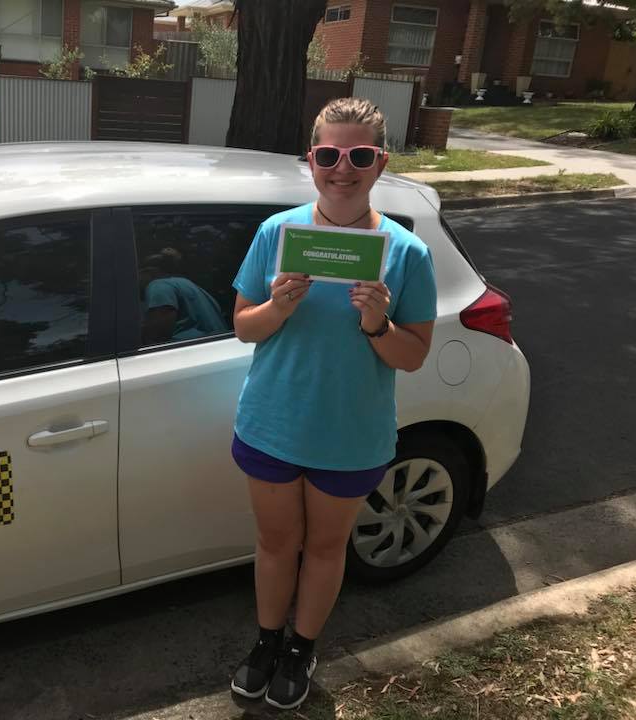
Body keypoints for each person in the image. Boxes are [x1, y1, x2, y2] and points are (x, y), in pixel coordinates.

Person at [228, 97, 437, 710]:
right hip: (271, 424)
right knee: (274, 544)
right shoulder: (277, 234)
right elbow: (244, 327)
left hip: (350, 435)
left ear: (381, 163)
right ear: (310, 160)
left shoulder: (406, 253)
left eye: (360, 155)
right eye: (328, 154)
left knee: (324, 548)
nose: (342, 169)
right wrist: (278, 307)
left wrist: (378, 324)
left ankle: (301, 648)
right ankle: (267, 641)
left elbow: (413, 355)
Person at [139, 248, 229, 344]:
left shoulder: (159, 286)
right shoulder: (193, 287)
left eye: (139, 273)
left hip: (190, 353)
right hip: (220, 348)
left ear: (150, 271)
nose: (138, 279)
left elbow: (158, 334)